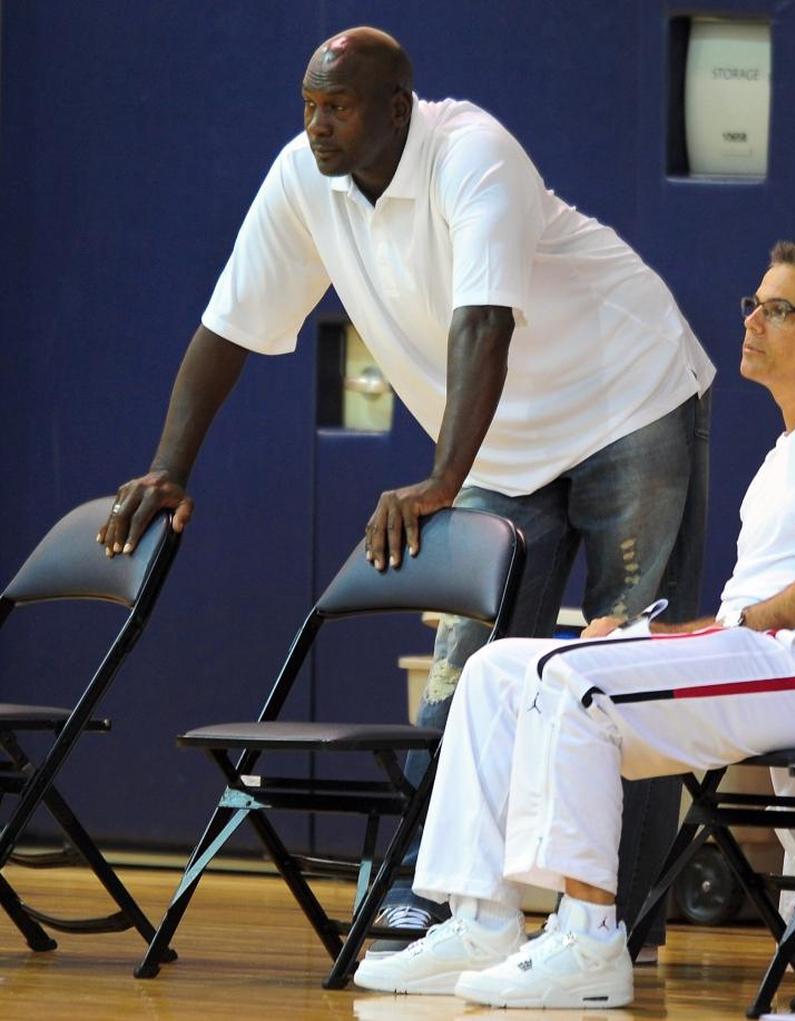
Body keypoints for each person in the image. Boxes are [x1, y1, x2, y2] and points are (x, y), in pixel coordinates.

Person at [95, 27, 714, 947]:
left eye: (336, 107)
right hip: (499, 442)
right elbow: (229, 324)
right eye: (307, 104)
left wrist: (441, 482)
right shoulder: (305, 179)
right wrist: (170, 467)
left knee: (622, 663)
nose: (316, 126)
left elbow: (485, 325)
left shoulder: (474, 153)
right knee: (465, 675)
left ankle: (618, 921)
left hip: (626, 398)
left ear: (397, 108)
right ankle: (438, 897)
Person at [351, 241, 795, 1009]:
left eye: (780, 309)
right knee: (498, 672)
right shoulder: (786, 449)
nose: (754, 319)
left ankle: (591, 935)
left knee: (580, 684)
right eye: (753, 304)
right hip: (766, 656)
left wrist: (731, 627)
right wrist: (658, 639)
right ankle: (479, 917)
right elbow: (739, 624)